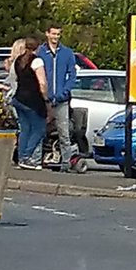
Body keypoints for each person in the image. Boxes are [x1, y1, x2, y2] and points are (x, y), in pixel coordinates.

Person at [37, 23, 77, 171]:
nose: (55, 37)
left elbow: (72, 75)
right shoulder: (40, 52)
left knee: (64, 132)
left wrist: (64, 92)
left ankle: (66, 163)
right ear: (47, 34)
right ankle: (37, 161)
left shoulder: (67, 53)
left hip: (61, 100)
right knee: (40, 131)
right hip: (44, 99)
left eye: (58, 34)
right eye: (53, 34)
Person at [12, 37, 48, 170]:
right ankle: (27, 156)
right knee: (40, 129)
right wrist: (46, 98)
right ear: (37, 48)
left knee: (25, 129)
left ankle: (21, 158)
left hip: (19, 98)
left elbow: (16, 78)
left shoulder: (18, 60)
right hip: (32, 100)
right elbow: (42, 83)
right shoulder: (37, 61)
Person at [0, 39, 25, 165]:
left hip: (11, 99)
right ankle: (22, 154)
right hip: (18, 99)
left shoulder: (13, 65)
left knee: (20, 126)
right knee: (24, 127)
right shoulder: (19, 65)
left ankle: (19, 153)